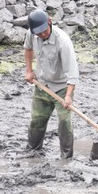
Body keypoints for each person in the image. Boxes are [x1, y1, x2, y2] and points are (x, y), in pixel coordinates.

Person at [24, 9, 79, 159]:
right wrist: (29, 70)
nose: (41, 35)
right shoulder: (32, 33)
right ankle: (33, 150)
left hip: (61, 87)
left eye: (43, 31)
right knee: (37, 118)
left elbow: (72, 73)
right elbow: (28, 48)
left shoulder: (63, 41)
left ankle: (66, 157)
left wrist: (68, 96)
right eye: (38, 33)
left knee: (64, 122)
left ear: (50, 22)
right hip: (42, 84)